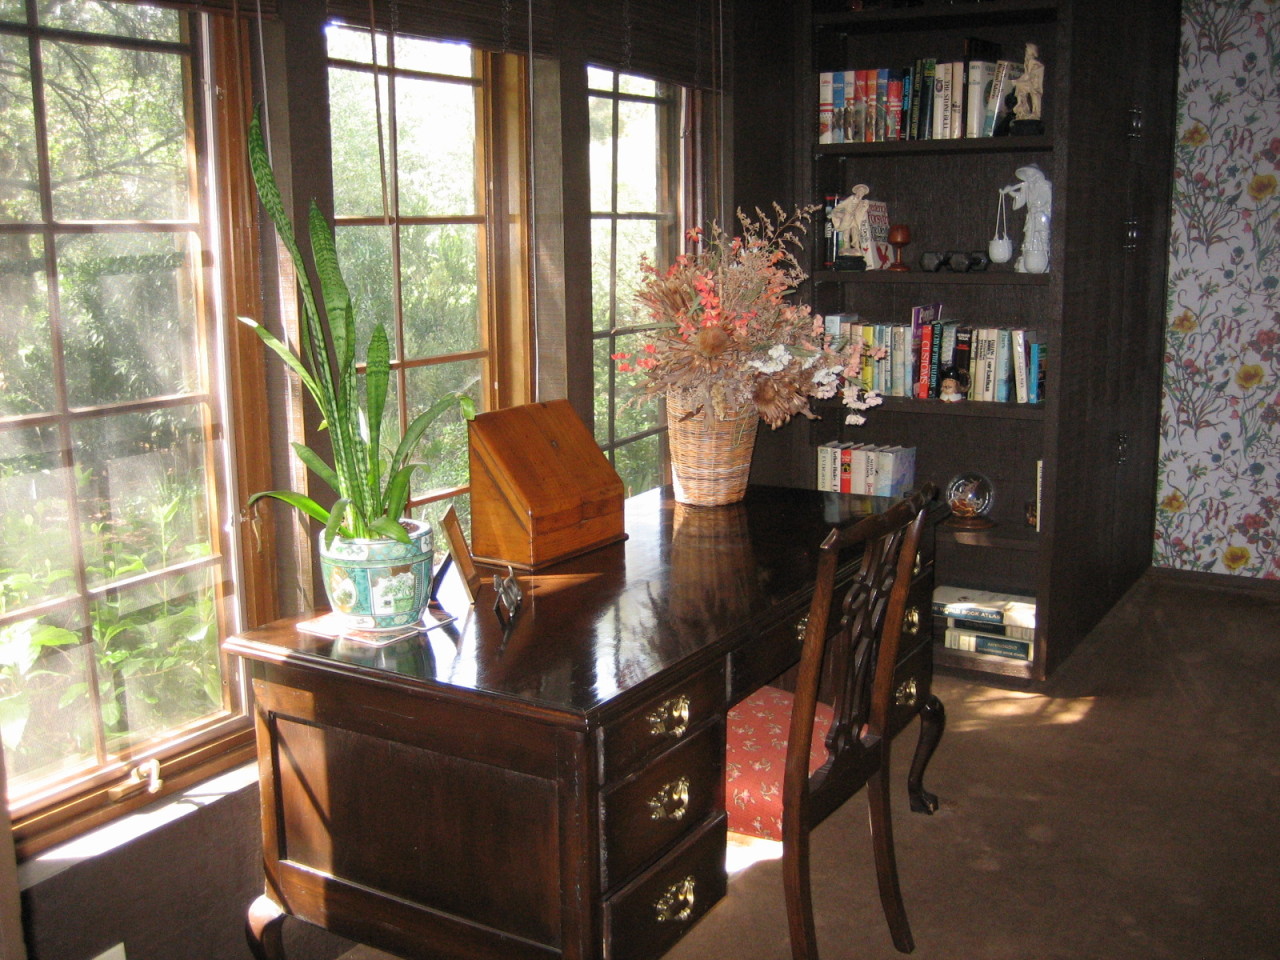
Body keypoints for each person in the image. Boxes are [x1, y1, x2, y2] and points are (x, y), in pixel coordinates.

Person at [1000, 164, 1051, 274]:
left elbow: (1050, 204)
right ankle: (1026, 259)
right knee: (1028, 238)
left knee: (1042, 238)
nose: (1029, 178)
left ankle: (1043, 260)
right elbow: (1020, 199)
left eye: (1031, 175)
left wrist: (1039, 209)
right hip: (1031, 218)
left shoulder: (1045, 187)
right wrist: (1010, 192)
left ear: (1037, 175)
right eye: (1027, 176)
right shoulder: (1027, 187)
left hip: (1041, 218)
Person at [830, 184, 871, 262]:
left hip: (854, 218)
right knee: (846, 232)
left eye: (862, 192)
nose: (860, 193)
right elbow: (842, 205)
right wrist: (835, 211)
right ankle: (846, 247)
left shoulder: (861, 201)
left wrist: (865, 206)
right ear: (857, 192)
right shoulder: (851, 198)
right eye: (860, 191)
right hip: (847, 217)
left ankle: (856, 247)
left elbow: (862, 210)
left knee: (855, 231)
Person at [1012, 43, 1044, 122]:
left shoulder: (1034, 63)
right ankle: (1022, 107)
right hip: (1030, 83)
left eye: (1027, 50)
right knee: (1020, 87)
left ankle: (1033, 112)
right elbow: (1026, 75)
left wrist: (1019, 81)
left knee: (1021, 86)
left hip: (1034, 84)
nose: (1026, 52)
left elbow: (1030, 75)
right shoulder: (1027, 62)